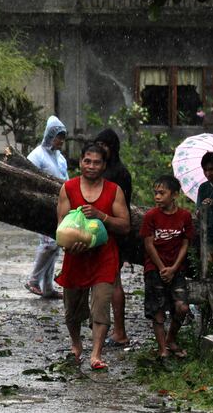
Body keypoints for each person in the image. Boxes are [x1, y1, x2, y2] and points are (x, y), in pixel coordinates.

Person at [56, 143, 131, 370]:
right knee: (72, 309)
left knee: (101, 305)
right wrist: (69, 247)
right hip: (76, 256)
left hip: (104, 257)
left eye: (96, 162)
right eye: (87, 161)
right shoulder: (68, 188)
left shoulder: (114, 190)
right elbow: (61, 226)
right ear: (80, 162)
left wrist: (101, 216)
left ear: (104, 165)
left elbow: (125, 225)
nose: (91, 166)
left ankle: (96, 354)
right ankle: (76, 344)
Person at [141, 175, 194, 359]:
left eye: (162, 193)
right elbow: (149, 244)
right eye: (155, 193)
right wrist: (163, 268)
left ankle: (171, 338)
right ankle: (162, 348)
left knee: (182, 307)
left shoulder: (184, 216)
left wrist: (174, 268)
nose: (157, 197)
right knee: (158, 311)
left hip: (176, 269)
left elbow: (185, 244)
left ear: (174, 195)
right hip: (154, 268)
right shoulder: (151, 216)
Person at [94, 128, 134, 348]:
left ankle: (120, 332)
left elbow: (120, 208)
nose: (100, 149)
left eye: (104, 145)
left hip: (113, 231)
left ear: (112, 148)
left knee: (114, 281)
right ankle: (109, 328)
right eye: (98, 144)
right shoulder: (107, 169)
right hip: (103, 230)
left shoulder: (117, 173)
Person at [25, 116, 68, 299]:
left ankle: (47, 287)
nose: (61, 141)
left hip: (58, 207)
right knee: (49, 244)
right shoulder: (36, 156)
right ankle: (33, 280)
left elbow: (66, 181)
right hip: (41, 206)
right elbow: (26, 177)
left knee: (55, 245)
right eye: (59, 136)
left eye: (63, 137)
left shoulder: (60, 158)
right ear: (50, 135)